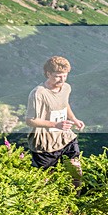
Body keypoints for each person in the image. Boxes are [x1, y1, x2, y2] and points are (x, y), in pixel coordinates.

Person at [25, 56, 86, 187]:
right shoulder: (38, 94)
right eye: (58, 76)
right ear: (48, 74)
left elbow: (64, 104)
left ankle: (77, 197)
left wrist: (74, 119)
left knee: (76, 169)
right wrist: (56, 124)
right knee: (46, 180)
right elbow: (30, 120)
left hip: (65, 137)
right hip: (45, 143)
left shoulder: (66, 88)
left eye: (65, 76)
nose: (62, 80)